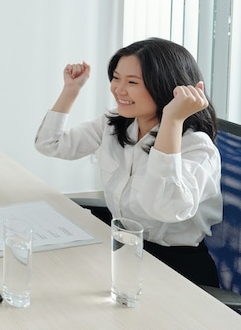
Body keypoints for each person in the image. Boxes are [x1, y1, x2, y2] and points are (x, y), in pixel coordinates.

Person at [35, 37, 222, 287]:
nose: (118, 90)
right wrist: (71, 90)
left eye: (132, 82)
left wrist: (172, 120)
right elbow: (50, 143)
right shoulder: (116, 123)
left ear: (165, 86)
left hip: (174, 268)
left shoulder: (197, 148)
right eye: (116, 77)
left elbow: (165, 207)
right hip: (124, 248)